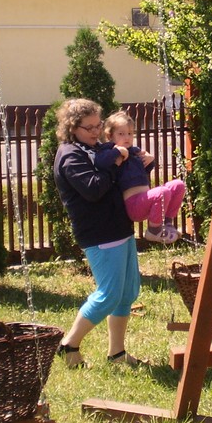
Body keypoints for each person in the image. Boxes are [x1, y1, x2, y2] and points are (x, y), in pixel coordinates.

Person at [53, 98, 145, 368]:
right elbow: (93, 189)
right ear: (73, 127)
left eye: (98, 125)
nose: (96, 132)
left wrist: (140, 162)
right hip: (100, 233)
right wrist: (117, 164)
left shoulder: (94, 148)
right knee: (109, 294)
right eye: (89, 127)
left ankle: (117, 353)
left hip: (119, 228)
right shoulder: (70, 155)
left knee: (127, 293)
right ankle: (69, 344)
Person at [97, 110, 186, 244]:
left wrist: (150, 160)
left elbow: (143, 171)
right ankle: (153, 231)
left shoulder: (134, 152)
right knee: (162, 192)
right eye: (121, 134)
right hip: (134, 205)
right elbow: (100, 162)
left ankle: (167, 223)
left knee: (178, 185)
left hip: (146, 200)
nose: (127, 137)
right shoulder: (109, 150)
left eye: (130, 133)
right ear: (110, 136)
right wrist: (116, 152)